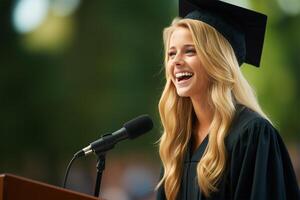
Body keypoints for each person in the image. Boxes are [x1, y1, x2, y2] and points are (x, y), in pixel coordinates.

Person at [156, 0, 300, 199]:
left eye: (190, 51)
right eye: (171, 53)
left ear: (217, 60)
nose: (176, 61)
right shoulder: (177, 141)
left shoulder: (252, 134)